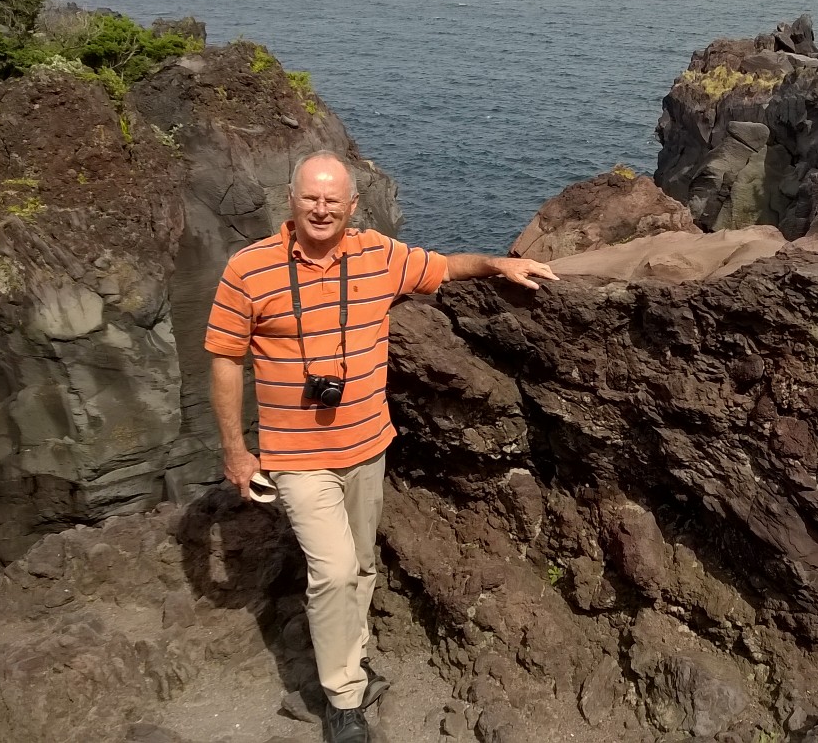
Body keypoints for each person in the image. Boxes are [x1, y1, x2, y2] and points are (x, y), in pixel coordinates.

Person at [205, 150, 556, 743]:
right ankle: (343, 697)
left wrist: (498, 263)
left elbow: (443, 267)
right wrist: (237, 452)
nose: (321, 208)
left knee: (362, 564)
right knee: (336, 569)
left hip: (368, 442)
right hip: (294, 453)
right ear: (290, 200)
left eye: (332, 200)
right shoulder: (249, 269)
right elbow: (223, 358)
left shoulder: (378, 255)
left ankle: (353, 658)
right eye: (310, 197)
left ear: (351, 205)